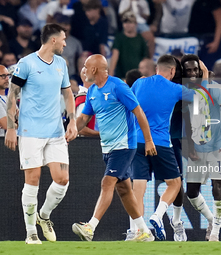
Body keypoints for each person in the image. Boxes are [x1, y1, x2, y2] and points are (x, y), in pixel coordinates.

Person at [4, 23, 78, 245]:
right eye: (63, 39)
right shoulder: (26, 64)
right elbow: (12, 95)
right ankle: (31, 233)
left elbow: (68, 95)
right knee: (33, 180)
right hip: (30, 132)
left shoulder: (61, 64)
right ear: (53, 40)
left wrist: (72, 122)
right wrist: (10, 127)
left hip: (55, 132)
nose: (66, 43)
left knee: (63, 179)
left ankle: (43, 216)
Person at [72, 54, 156, 242]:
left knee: (107, 183)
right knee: (124, 190)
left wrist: (149, 140)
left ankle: (90, 227)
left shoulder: (118, 86)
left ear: (94, 69)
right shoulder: (92, 90)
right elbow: (84, 118)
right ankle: (144, 232)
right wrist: (68, 133)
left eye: (86, 66)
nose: (83, 70)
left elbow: (138, 112)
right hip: (107, 148)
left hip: (124, 146)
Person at [130, 55, 203, 241]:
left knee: (138, 188)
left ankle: (137, 231)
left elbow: (129, 104)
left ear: (157, 68)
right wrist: (202, 69)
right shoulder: (175, 89)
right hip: (160, 142)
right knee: (175, 183)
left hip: (137, 141)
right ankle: (158, 215)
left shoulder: (139, 83)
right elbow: (201, 94)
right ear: (172, 71)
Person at [181, 54, 221, 242]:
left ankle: (215, 233)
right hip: (198, 148)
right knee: (191, 193)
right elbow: (188, 123)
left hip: (218, 147)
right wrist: (190, 147)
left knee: (217, 187)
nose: (192, 73)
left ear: (201, 71)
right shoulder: (186, 95)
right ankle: (213, 220)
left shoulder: (216, 91)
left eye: (195, 70)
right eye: (188, 70)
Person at [109, 11, 148, 79]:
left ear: (136, 24)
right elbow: (115, 56)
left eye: (130, 22)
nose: (127, 25)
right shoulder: (119, 38)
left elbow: (145, 59)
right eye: (125, 22)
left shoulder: (140, 39)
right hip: (122, 77)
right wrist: (110, 76)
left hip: (137, 78)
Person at [75, 68, 99, 137]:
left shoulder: (91, 98)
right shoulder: (84, 100)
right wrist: (100, 134)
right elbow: (79, 129)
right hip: (86, 145)